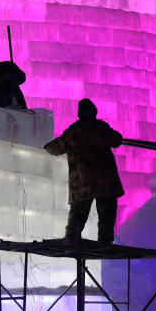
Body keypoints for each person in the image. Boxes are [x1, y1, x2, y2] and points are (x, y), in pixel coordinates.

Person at [44, 99, 123, 244]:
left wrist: (44, 146)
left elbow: (53, 149)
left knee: (78, 216)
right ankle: (105, 244)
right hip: (105, 181)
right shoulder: (101, 128)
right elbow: (117, 140)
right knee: (107, 216)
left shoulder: (72, 132)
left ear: (79, 114)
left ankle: (72, 241)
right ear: (94, 112)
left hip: (82, 183)